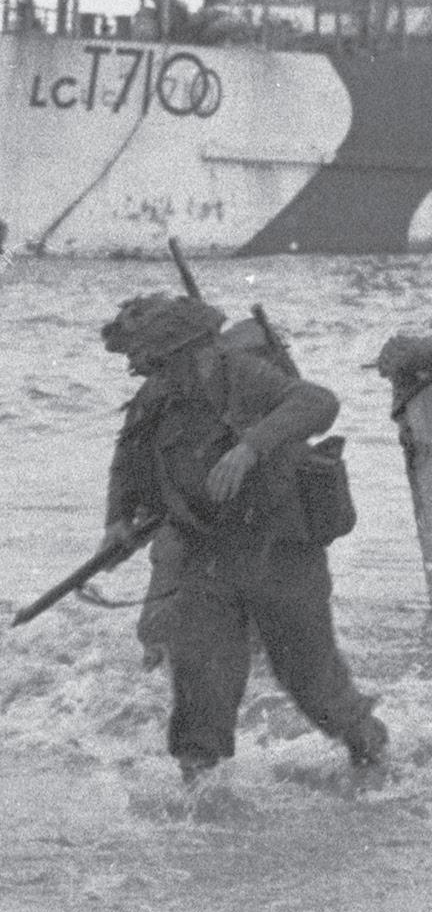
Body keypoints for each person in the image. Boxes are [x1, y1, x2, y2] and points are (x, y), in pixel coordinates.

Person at [98, 292, 386, 783]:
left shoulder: (243, 375)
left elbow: (318, 401)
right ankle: (197, 792)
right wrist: (116, 522)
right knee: (198, 670)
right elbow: (128, 462)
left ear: (192, 352)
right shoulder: (156, 396)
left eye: (158, 363)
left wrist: (249, 448)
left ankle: (370, 749)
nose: (148, 375)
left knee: (310, 680)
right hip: (206, 551)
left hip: (280, 549)